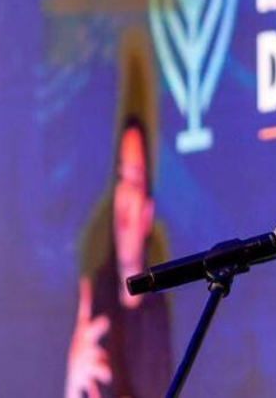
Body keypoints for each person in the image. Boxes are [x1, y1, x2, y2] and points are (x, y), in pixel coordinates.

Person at [65, 116, 173, 398]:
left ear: (148, 212)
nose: (124, 196)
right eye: (120, 179)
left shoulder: (161, 312)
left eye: (134, 181)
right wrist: (72, 387)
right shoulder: (95, 298)